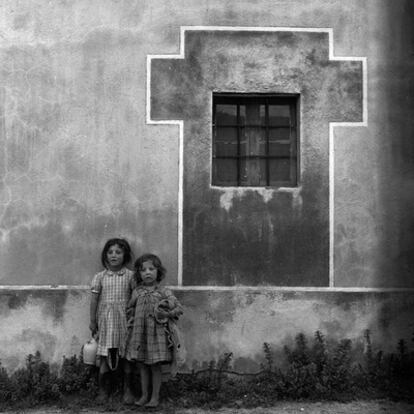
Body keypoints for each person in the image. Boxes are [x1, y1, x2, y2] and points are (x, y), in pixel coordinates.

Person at [126, 253, 184, 408]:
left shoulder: (164, 292)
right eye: (143, 270)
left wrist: (166, 313)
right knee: (142, 366)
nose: (147, 272)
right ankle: (144, 395)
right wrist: (132, 321)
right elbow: (129, 309)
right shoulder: (137, 292)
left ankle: (155, 397)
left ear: (158, 272)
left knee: (155, 366)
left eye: (151, 269)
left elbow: (179, 308)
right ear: (138, 274)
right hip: (140, 335)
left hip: (157, 336)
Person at [89, 238, 135, 404]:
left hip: (125, 322)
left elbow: (135, 298)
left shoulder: (131, 276)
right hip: (107, 323)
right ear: (105, 256)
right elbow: (94, 300)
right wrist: (92, 320)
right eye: (110, 252)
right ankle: (103, 391)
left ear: (125, 255)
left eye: (118, 252)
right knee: (105, 356)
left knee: (126, 356)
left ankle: (127, 391)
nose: (114, 255)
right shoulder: (100, 277)